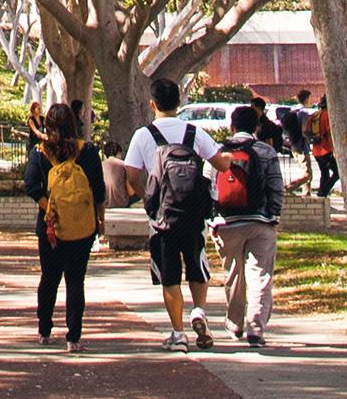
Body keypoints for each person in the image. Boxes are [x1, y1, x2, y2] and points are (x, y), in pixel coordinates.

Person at [124, 78, 234, 352]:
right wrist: (229, 159)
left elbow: (131, 175)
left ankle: (178, 333)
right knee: (197, 268)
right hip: (193, 217)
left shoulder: (143, 135)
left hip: (161, 219)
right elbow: (220, 164)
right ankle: (199, 310)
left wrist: (150, 201)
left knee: (169, 276)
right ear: (180, 102)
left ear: (152, 104)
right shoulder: (194, 133)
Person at [23, 103, 105, 353]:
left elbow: (31, 185)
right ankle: (74, 336)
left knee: (49, 278)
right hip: (82, 225)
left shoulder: (40, 152)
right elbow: (99, 190)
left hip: (49, 226)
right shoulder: (87, 151)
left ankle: (44, 329)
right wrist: (99, 220)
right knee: (75, 280)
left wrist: (49, 207)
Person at [214, 106, 285, 348]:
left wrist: (212, 219)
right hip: (260, 222)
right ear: (257, 127)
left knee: (233, 273)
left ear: (231, 127)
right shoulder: (266, 151)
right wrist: (274, 214)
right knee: (260, 274)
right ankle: (256, 328)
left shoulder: (219, 151)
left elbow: (208, 186)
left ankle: (234, 323)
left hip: (227, 223)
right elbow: (276, 186)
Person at [310, 99, 338, 197]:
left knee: (324, 173)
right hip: (326, 150)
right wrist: (334, 149)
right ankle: (323, 192)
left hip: (316, 150)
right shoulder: (329, 116)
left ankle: (322, 195)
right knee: (337, 172)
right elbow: (330, 134)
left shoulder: (315, 115)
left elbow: (305, 131)